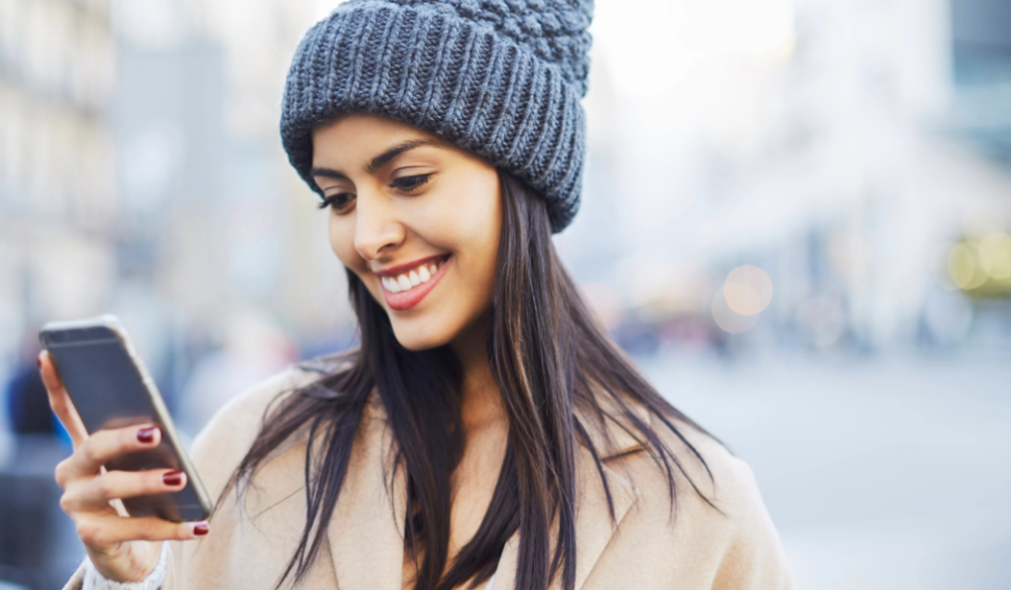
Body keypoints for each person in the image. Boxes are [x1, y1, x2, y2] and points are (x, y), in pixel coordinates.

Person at [43, 1, 795, 588]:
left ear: (520, 177)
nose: (367, 235)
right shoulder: (255, 446)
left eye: (407, 180)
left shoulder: (698, 507)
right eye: (337, 198)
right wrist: (133, 580)